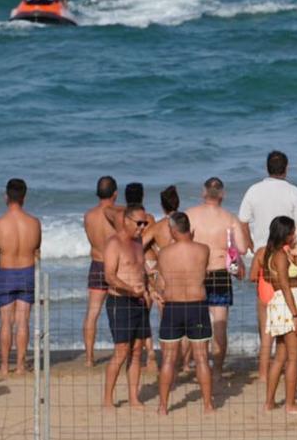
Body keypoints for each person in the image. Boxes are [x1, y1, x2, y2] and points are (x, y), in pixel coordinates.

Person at [152, 212, 217, 415]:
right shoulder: (203, 249)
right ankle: (208, 405)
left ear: (172, 230)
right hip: (196, 307)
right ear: (190, 229)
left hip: (173, 307)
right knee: (201, 358)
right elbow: (202, 270)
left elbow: (161, 280)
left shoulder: (164, 253)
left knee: (169, 359)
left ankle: (163, 407)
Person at [187, 176, 251, 372]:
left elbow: (181, 243)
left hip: (196, 274)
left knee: (197, 323)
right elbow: (241, 248)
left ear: (203, 192)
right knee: (220, 324)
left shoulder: (190, 215)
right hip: (220, 273)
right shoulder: (229, 218)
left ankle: (201, 367)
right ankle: (218, 371)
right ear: (222, 194)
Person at [100, 205, 152, 410]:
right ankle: (107, 399)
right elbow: (109, 276)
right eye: (139, 223)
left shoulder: (138, 241)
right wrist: (131, 290)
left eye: (145, 223)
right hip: (120, 301)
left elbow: (142, 270)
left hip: (139, 300)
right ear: (126, 221)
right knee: (121, 351)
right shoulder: (114, 243)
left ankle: (133, 398)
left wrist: (151, 288)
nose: (142, 227)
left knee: (137, 350)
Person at [254, 216, 297, 414]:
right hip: (288, 304)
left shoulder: (273, 254)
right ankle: (290, 404)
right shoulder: (280, 256)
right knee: (294, 358)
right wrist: (295, 315)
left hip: (280, 304)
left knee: (281, 356)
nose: (295, 235)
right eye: (293, 232)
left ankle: (269, 402)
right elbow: (286, 285)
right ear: (285, 233)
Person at [0, 178, 41, 375]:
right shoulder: (34, 223)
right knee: (23, 321)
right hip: (27, 271)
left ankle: (4, 365)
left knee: (5, 322)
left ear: (6, 196)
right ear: (24, 197)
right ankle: (20, 365)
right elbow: (37, 247)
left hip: (6, 273)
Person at [81, 175, 119, 366]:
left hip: (97, 263)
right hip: (116, 266)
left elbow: (90, 238)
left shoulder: (89, 215)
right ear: (115, 194)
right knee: (120, 311)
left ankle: (89, 358)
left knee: (93, 312)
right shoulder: (117, 214)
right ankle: (120, 353)